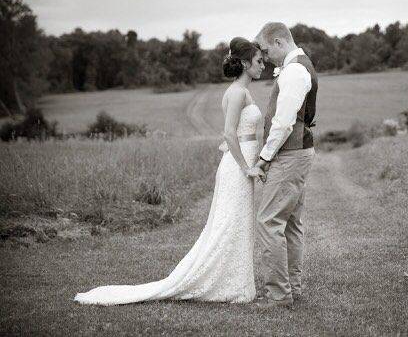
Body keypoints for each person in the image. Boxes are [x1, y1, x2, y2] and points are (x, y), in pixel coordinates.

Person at [73, 37, 265, 305]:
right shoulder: (236, 93)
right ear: (245, 63)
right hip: (238, 167)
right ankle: (224, 283)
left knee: (237, 224)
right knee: (228, 225)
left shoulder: (243, 91)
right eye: (258, 61)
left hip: (243, 163)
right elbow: (229, 134)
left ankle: (237, 282)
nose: (263, 65)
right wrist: (247, 168)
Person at [253, 22, 318, 308]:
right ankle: (293, 287)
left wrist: (265, 157)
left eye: (266, 50)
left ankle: (279, 295)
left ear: (279, 42)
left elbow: (283, 122)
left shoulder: (294, 71)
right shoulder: (300, 66)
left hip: (290, 154)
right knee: (291, 223)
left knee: (269, 221)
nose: (265, 58)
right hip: (299, 152)